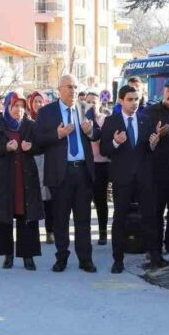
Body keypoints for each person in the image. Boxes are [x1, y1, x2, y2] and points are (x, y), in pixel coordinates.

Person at [35, 73, 101, 273]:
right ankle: (61, 257)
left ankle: (85, 259)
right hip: (60, 173)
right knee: (60, 220)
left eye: (75, 87)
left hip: (82, 171)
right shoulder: (47, 112)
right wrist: (58, 134)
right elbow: (38, 142)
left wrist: (90, 132)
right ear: (59, 89)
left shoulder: (86, 109)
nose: (73, 91)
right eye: (69, 87)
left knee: (83, 220)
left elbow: (97, 134)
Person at [100, 85, 162, 272]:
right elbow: (104, 150)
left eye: (136, 99)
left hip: (144, 178)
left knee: (150, 217)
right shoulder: (112, 121)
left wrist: (153, 145)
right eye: (130, 99)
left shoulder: (145, 120)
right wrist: (115, 142)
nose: (134, 103)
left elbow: (149, 150)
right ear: (121, 100)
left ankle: (155, 256)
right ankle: (118, 260)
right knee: (119, 219)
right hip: (122, 178)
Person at [0, 91, 43, 270]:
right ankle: (7, 255)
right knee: (4, 216)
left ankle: (28, 256)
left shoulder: (30, 125)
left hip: (25, 176)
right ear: (7, 107)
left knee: (26, 215)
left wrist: (31, 147)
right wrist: (5, 147)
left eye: (21, 106)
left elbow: (41, 146)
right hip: (4, 177)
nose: (19, 110)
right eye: (15, 106)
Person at [144, 78, 169, 256]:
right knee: (156, 211)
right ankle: (155, 246)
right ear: (163, 92)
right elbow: (143, 139)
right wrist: (156, 136)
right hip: (156, 170)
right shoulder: (150, 111)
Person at [27, 90, 54, 244]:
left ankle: (50, 230)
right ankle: (34, 232)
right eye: (35, 101)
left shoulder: (50, 120)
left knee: (49, 198)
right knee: (34, 198)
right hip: (32, 161)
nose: (38, 104)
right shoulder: (27, 121)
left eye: (40, 101)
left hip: (48, 160)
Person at [86, 90, 110, 245]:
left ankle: (102, 232)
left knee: (100, 200)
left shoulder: (105, 120)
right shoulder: (81, 119)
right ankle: (85, 231)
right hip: (85, 164)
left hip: (102, 164)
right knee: (84, 200)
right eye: (88, 102)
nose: (91, 105)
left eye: (94, 102)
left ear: (100, 103)